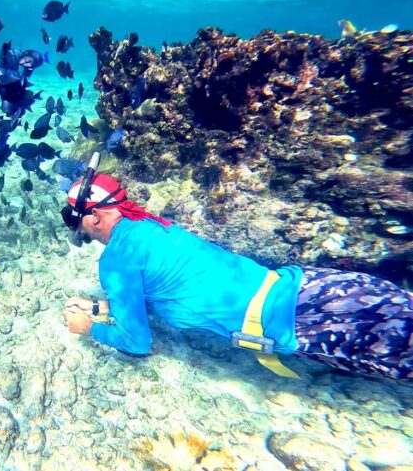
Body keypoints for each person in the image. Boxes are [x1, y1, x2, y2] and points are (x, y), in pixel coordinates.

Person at [59, 154, 413, 380]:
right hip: (313, 286)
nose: (83, 234)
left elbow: (136, 342)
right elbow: (166, 284)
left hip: (306, 319)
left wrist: (88, 328)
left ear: (94, 215)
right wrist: (111, 308)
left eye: (78, 225)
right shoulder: (150, 225)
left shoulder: (116, 260)